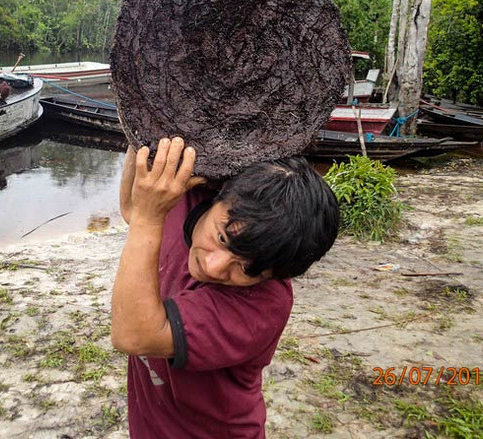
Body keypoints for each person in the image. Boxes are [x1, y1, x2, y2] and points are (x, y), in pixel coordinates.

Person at [111, 137, 339, 438]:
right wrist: (140, 135)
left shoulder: (263, 305)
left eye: (245, 269)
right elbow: (133, 208)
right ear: (221, 195)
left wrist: (149, 218)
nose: (214, 267)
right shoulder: (186, 195)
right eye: (221, 238)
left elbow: (133, 335)